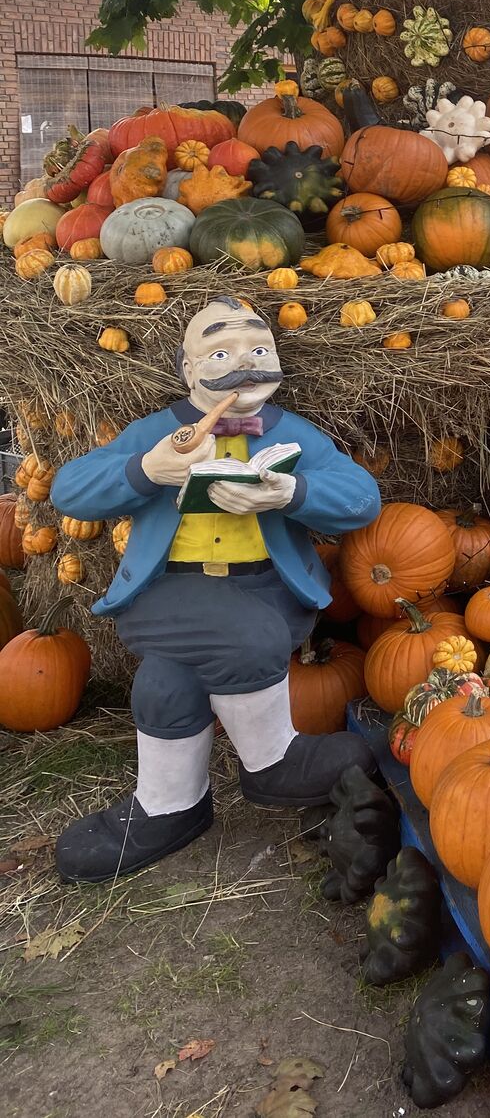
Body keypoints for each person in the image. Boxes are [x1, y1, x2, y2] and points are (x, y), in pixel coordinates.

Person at [50, 296, 383, 882]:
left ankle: (168, 808)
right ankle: (273, 761)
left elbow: (361, 498)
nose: (245, 364)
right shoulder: (157, 433)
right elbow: (69, 490)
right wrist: (146, 471)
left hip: (266, 588)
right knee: (247, 637)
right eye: (220, 351)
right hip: (166, 594)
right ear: (187, 369)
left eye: (259, 349)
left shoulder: (295, 434)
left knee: (167, 677)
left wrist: (290, 494)